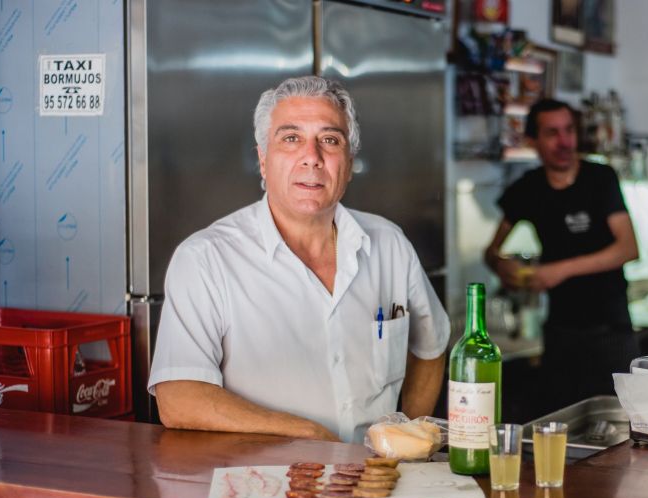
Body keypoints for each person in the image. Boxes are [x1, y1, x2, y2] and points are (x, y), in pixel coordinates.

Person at [148, 76, 450, 443]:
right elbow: (179, 398)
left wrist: (407, 442)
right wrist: (305, 433)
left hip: (376, 484)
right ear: (263, 159)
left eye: (330, 140)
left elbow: (431, 347)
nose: (312, 156)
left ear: (350, 163)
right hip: (260, 489)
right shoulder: (205, 259)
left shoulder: (390, 244)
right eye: (291, 138)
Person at [485, 98, 640, 412]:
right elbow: (491, 251)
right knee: (562, 426)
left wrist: (560, 270)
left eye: (569, 130)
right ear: (533, 141)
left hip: (610, 330)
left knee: (621, 428)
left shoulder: (600, 178)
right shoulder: (528, 189)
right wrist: (502, 266)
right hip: (560, 334)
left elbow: (627, 248)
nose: (564, 141)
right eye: (552, 133)